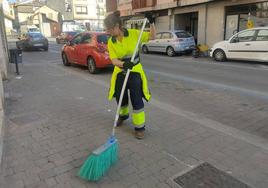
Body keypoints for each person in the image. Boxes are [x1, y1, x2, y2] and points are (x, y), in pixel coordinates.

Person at [104, 11, 156, 139]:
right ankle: (123, 115)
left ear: (117, 26)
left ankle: (139, 127)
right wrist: (123, 64)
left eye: (109, 29)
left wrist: (152, 22)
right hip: (120, 71)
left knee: (136, 97)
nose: (108, 32)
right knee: (120, 97)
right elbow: (113, 60)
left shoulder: (134, 34)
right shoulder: (111, 41)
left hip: (135, 71)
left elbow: (152, 36)